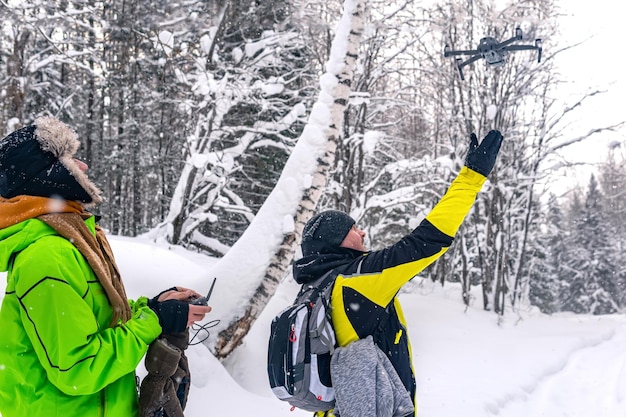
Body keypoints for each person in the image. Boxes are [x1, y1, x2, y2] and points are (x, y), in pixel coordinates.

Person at [0, 116, 212, 417]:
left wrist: (151, 308)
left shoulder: (71, 241)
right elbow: (78, 368)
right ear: (43, 176)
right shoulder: (46, 258)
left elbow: (94, 320)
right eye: (69, 159)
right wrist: (152, 321)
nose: (83, 167)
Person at [293, 130, 504, 417]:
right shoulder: (358, 280)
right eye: (353, 229)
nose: (362, 231)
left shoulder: (312, 288)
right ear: (337, 241)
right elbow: (428, 240)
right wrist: (471, 178)